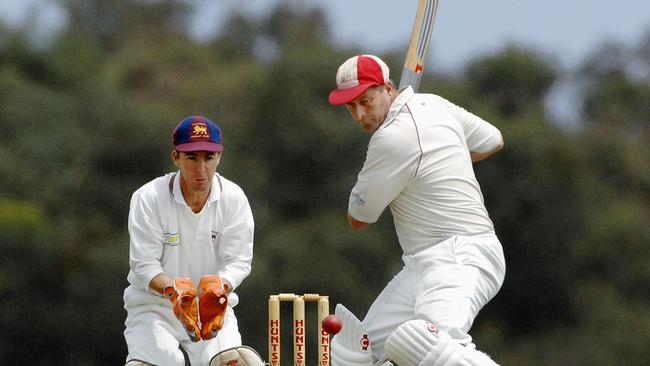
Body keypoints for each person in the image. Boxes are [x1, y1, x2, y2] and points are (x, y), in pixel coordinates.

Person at [327, 55, 506, 366]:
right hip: (421, 265)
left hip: (459, 257)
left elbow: (359, 217)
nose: (359, 115)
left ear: (388, 88)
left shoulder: (390, 139)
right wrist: (436, 159)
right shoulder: (435, 105)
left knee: (431, 347)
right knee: (357, 354)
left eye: (366, 102)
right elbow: (491, 140)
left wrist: (409, 165)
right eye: (350, 107)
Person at [122, 115, 261, 366]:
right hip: (155, 307)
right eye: (191, 157)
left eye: (208, 158)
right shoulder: (148, 197)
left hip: (211, 308)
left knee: (233, 362)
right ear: (176, 157)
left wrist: (221, 286)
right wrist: (172, 289)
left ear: (219, 156)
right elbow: (143, 264)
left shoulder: (234, 198)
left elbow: (238, 261)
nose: (201, 169)